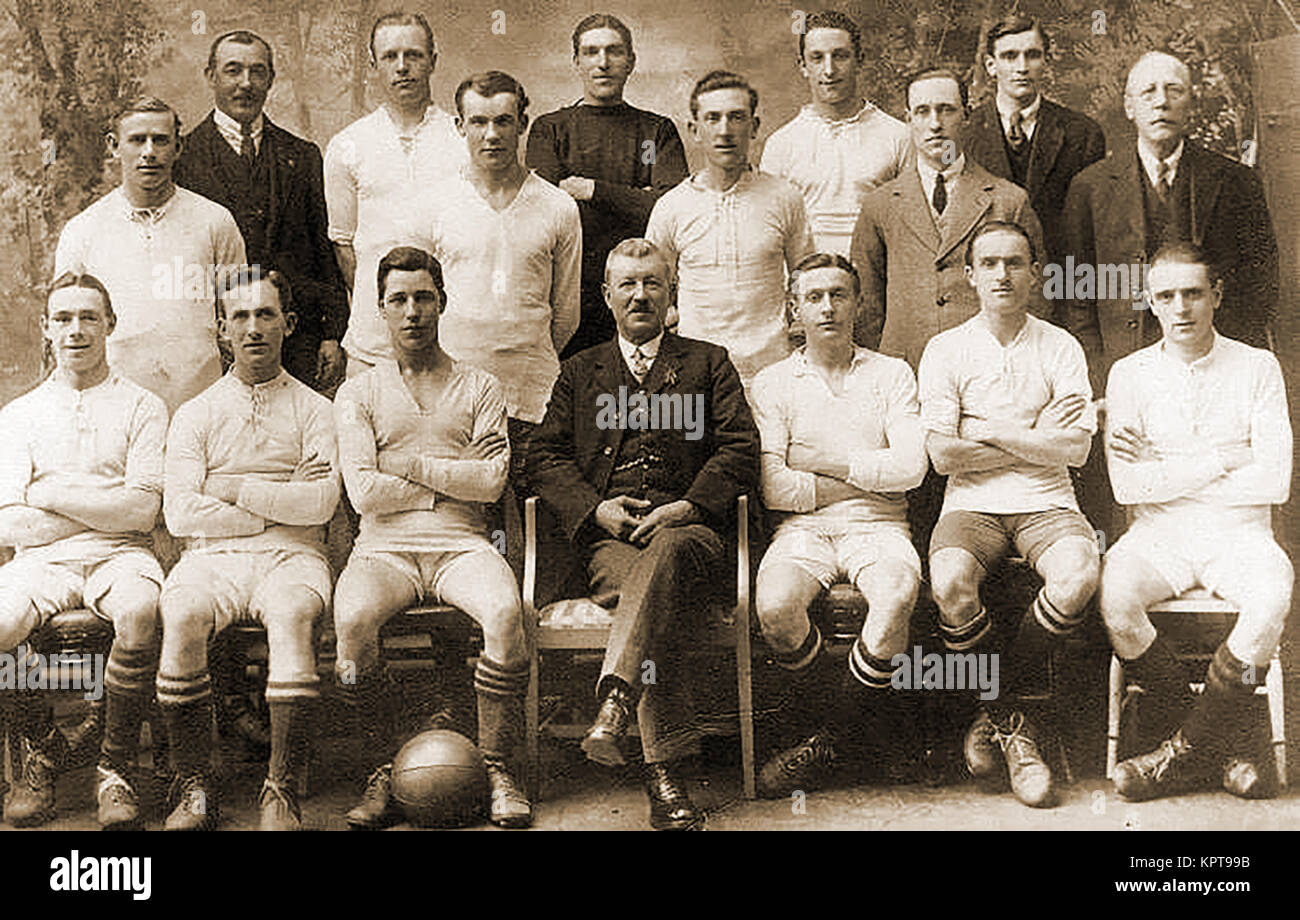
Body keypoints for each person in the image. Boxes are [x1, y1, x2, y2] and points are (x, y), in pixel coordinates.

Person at [527, 238, 760, 830]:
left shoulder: (709, 362)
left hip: (692, 538)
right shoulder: (581, 371)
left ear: (671, 293)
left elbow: (740, 449)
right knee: (652, 597)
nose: (639, 294)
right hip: (612, 544)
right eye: (627, 284)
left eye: (652, 283)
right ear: (606, 296)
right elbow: (543, 456)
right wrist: (596, 509)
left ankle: (619, 700)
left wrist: (685, 506)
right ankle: (665, 775)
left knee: (669, 557)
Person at [332, 246, 532, 830]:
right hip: (382, 549)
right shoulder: (359, 393)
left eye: (424, 297)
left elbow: (492, 483)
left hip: (463, 545)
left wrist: (407, 463)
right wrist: (447, 476)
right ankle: (380, 767)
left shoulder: (481, 386)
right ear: (380, 309)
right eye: (399, 300)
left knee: (503, 610)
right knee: (350, 623)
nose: (412, 311)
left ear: (442, 302)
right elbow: (364, 493)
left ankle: (498, 766)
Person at [1102, 242, 1292, 802]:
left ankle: (1178, 754)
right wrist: (1222, 458)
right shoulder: (1129, 374)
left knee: (1272, 595)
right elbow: (1129, 487)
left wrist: (1167, 469)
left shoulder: (1258, 366)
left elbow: (1274, 480)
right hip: (1160, 534)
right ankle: (1217, 745)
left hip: (1239, 531)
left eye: (1193, 293)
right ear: (1151, 303)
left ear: (1217, 295)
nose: (1181, 307)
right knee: (1115, 596)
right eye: (1166, 296)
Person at [918, 221, 1099, 808]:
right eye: (989, 263)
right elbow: (943, 457)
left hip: (1047, 498)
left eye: (1015, 262)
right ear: (969, 275)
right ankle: (1015, 726)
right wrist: (1031, 433)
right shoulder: (946, 348)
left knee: (1078, 577)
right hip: (971, 503)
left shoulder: (1059, 346)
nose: (1002, 274)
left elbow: (1074, 450)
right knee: (949, 584)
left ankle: (999, 709)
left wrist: (987, 429)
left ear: (1034, 272)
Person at [158, 269, 339, 830]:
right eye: (240, 316)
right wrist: (279, 499)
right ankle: (195, 785)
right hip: (211, 559)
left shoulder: (316, 409)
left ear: (290, 323)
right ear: (221, 329)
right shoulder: (194, 413)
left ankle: (280, 788)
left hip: (294, 555)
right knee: (183, 611)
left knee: (290, 613)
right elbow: (181, 513)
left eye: (266, 314)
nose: (254, 328)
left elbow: (322, 505)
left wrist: (231, 487)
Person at [750, 253, 927, 798]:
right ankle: (860, 730)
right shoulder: (773, 381)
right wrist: (868, 471)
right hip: (801, 530)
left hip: (879, 526)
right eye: (813, 297)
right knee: (775, 607)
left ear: (859, 303)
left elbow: (911, 472)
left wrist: (821, 462)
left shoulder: (892, 373)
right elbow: (776, 488)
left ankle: (828, 736)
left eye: (839, 294)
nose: (827, 306)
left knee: (897, 593)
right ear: (793, 310)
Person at [0, 274, 167, 829]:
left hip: (121, 554)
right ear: (46, 329)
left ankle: (112, 769)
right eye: (64, 319)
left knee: (142, 612)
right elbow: (7, 523)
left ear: (110, 325)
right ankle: (43, 749)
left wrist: (46, 494)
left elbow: (141, 513)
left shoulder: (143, 405)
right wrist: (100, 503)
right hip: (40, 561)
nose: (76, 330)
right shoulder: (19, 414)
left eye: (89, 317)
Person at [1063, 51, 1279, 397]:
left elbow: (1260, 285)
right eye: (1148, 92)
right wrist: (1099, 377)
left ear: (1190, 103)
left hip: (1215, 371)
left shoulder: (1236, 181)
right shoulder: (1090, 187)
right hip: (1125, 371)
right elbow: (1074, 292)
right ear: (1129, 107)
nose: (1161, 101)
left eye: (1174, 90)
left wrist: (1233, 364)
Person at [428, 70, 581, 484]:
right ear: (460, 126)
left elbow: (565, 313)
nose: (491, 134)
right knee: (465, 518)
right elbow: (423, 302)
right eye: (478, 122)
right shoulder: (437, 203)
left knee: (536, 521)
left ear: (523, 124)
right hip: (455, 396)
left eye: (503, 121)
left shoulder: (558, 206)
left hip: (533, 396)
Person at [175, 29, 349, 392]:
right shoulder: (183, 159)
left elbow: (323, 252)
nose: (246, 83)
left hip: (295, 340)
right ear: (211, 76)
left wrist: (332, 334)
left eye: (257, 72)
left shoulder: (302, 157)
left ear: (271, 79)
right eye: (233, 70)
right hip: (215, 344)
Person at [54, 96, 246, 415]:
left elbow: (241, 314)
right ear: (114, 146)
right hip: (114, 410)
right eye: (137, 140)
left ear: (178, 147)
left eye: (160, 140)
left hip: (200, 405)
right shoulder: (82, 231)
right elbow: (64, 330)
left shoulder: (216, 221)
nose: (149, 152)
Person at [850, 68, 1045, 371]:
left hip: (988, 370)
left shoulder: (1009, 201)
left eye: (946, 110)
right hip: (904, 373)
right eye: (923, 112)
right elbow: (866, 307)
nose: (935, 125)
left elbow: (1036, 298)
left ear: (966, 116)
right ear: (908, 119)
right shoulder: (880, 205)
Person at [527, 13, 688, 358]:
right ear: (576, 62)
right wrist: (636, 197)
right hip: (569, 296)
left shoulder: (653, 132)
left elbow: (671, 207)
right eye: (591, 52)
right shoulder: (551, 130)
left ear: (631, 61)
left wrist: (593, 190)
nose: (603, 63)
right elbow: (544, 208)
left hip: (640, 294)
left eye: (614, 52)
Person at [646, 70, 815, 386]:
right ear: (695, 130)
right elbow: (654, 290)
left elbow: (804, 279)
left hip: (773, 371)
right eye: (713, 118)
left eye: (736, 117)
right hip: (697, 375)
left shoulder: (785, 198)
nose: (725, 130)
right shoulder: (671, 206)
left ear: (754, 127)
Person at [325, 11, 466, 377]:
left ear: (433, 61)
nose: (402, 66)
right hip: (372, 345)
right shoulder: (347, 145)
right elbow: (344, 246)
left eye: (413, 55)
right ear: (373, 64)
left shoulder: (463, 139)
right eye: (390, 56)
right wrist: (391, 310)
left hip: (452, 340)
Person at [960, 14, 1105, 278]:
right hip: (988, 282)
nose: (1022, 67)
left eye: (1033, 55)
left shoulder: (1082, 134)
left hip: (1058, 280)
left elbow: (1091, 228)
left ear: (1046, 62)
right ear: (991, 65)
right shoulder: (964, 135)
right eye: (1010, 56)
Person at [759, 10, 909, 255]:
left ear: (860, 60)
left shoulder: (899, 137)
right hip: (809, 283)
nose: (829, 70)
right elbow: (770, 230)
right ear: (803, 66)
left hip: (876, 279)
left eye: (840, 56)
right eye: (817, 58)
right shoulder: (781, 144)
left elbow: (911, 224)